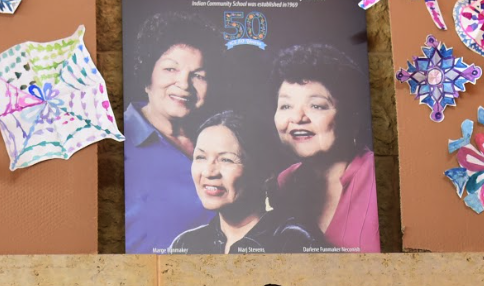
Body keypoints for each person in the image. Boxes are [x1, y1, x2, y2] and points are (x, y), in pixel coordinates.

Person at [270, 43, 380, 253]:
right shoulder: (282, 184)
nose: (297, 118)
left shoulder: (381, 176)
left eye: (316, 106)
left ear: (350, 114)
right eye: (285, 106)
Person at [125, 12, 220, 253]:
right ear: (148, 75)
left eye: (198, 75)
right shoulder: (115, 142)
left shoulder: (218, 138)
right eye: (170, 69)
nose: (184, 84)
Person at [169, 112, 321, 254]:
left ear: (265, 174)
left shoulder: (293, 242)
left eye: (226, 160)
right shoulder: (185, 244)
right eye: (200, 157)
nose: (209, 172)